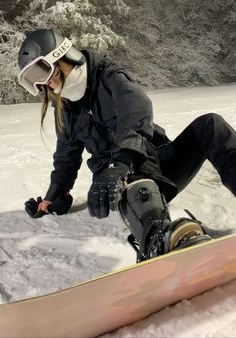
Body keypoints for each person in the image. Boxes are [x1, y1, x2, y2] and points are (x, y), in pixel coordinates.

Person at [17, 28, 236, 260]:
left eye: (43, 71)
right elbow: (65, 159)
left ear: (62, 55)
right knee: (134, 183)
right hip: (118, 184)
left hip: (155, 162)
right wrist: (53, 197)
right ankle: (160, 240)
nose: (46, 83)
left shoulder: (107, 76)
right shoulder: (66, 111)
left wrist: (122, 161)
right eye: (35, 79)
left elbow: (137, 109)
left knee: (210, 125)